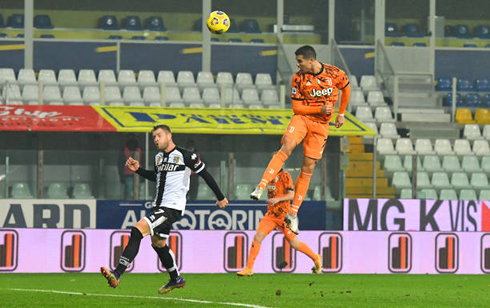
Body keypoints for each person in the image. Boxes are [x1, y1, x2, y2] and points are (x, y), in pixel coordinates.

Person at [101, 124, 228, 294]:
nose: (156, 139)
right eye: (154, 137)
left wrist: (220, 197)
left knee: (137, 231)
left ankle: (117, 274)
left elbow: (205, 174)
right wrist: (138, 170)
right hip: (159, 206)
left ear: (169, 136)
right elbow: (157, 177)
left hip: (172, 207)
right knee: (159, 244)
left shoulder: (186, 155)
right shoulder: (159, 158)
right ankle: (176, 278)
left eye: (159, 136)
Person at [250, 45, 350, 234]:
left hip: (321, 126)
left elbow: (346, 89)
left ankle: (293, 214)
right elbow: (297, 108)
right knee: (287, 146)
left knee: (308, 167)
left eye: (300, 61)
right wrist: (318, 109)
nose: (297, 65)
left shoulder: (334, 73)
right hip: (303, 119)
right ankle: (261, 186)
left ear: (311, 60)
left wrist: (341, 114)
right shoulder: (298, 78)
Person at [238, 166, 322, 276]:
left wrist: (278, 199)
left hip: (284, 216)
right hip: (271, 215)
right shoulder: (270, 176)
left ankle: (316, 258)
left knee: (294, 243)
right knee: (258, 236)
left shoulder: (285, 176)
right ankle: (249, 268)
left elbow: (291, 195)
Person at [119, 133, 142, 200]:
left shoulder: (140, 149)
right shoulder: (124, 150)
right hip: (128, 174)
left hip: (137, 173)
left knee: (137, 192)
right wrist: (121, 176)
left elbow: (144, 161)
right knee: (128, 193)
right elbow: (120, 163)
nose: (132, 139)